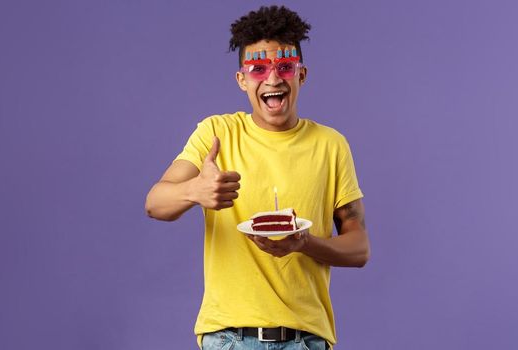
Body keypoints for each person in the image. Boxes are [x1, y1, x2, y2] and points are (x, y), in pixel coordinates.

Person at [145, 5, 369, 349]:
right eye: (258, 69)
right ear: (242, 80)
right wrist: (195, 190)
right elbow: (155, 203)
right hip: (229, 337)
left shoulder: (332, 145)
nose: (273, 79)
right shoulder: (217, 133)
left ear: (302, 74)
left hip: (306, 339)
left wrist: (305, 243)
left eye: (284, 67)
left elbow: (359, 248)